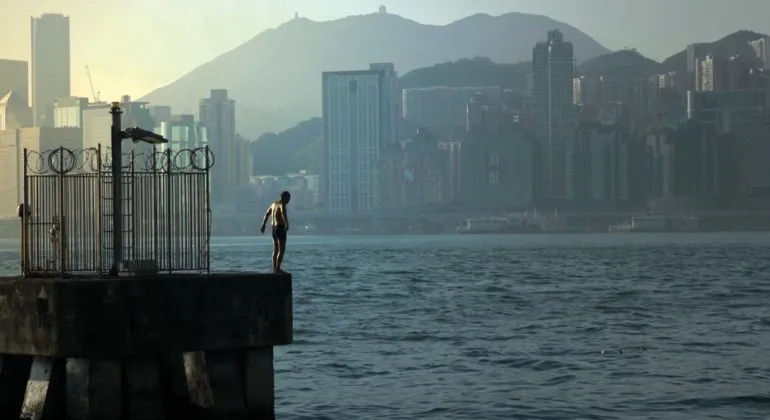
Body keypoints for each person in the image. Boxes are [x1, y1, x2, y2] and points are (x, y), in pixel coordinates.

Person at [260, 191, 291, 273]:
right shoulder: (282, 204)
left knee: (276, 250)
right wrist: (287, 223)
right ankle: (277, 269)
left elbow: (267, 214)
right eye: (288, 199)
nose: (289, 201)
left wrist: (263, 225)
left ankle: (274, 269)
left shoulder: (273, 204)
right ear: (285, 198)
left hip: (273, 229)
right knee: (282, 250)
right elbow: (283, 213)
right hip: (280, 228)